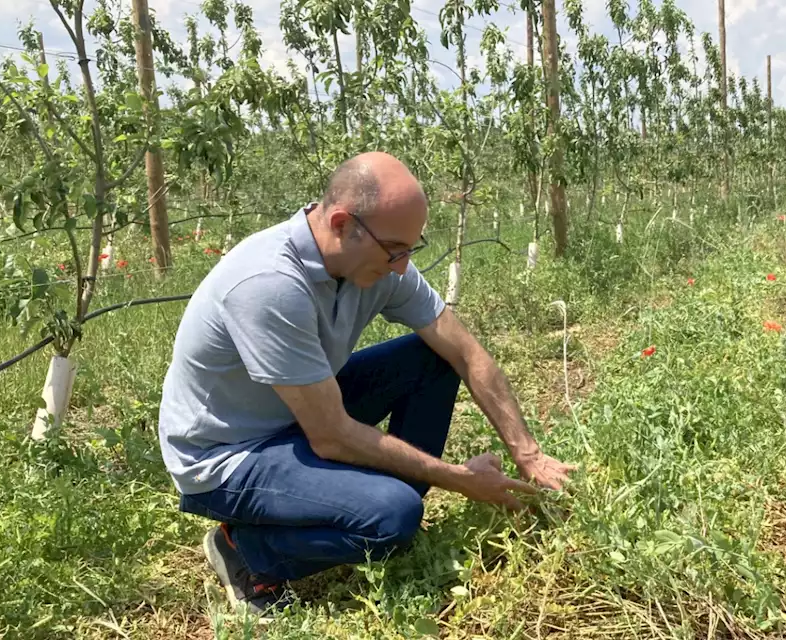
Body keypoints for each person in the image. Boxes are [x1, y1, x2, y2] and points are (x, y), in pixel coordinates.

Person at [156, 151, 575, 618]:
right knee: (392, 517)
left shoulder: (376, 260)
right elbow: (331, 435)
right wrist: (460, 479)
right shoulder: (269, 283)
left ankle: (371, 493)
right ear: (340, 223)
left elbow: (465, 352)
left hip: (299, 409)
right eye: (394, 250)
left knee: (431, 359)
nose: (401, 267)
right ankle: (247, 552)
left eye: (409, 251)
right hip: (228, 454)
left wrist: (528, 453)